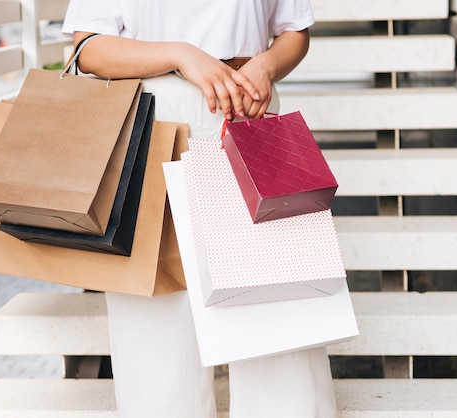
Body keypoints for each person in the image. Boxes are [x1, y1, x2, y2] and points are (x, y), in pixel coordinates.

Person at [61, 1, 337, 417]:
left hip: (247, 112)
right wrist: (181, 53)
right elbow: (89, 49)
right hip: (147, 121)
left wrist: (265, 67)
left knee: (278, 312)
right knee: (153, 313)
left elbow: (294, 30)